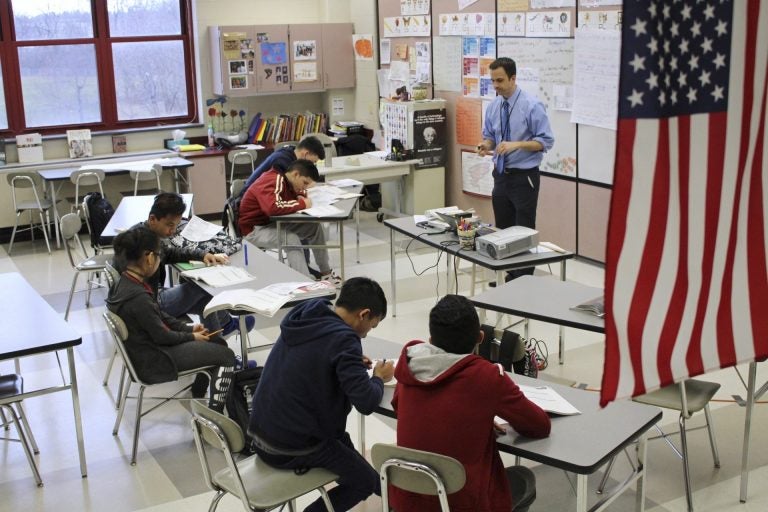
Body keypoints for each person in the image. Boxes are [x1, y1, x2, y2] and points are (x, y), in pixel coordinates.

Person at [391, 295, 551, 512]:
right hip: (464, 503)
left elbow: (399, 405)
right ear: (480, 337)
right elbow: (539, 425)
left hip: (409, 501)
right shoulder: (487, 376)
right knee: (523, 478)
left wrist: (472, 419)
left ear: (430, 340)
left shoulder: (409, 364)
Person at [248, 277, 394, 512]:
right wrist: (378, 376)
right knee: (362, 483)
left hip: (260, 432)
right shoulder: (346, 339)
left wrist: (350, 364)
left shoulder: (307, 315)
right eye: (372, 325)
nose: (366, 334)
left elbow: (315, 357)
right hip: (292, 446)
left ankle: (392, 498)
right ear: (364, 314)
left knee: (348, 452)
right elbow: (366, 401)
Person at [106, 227, 236, 408]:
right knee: (227, 355)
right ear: (149, 258)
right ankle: (215, 416)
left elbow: (158, 316)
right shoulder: (138, 297)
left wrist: (189, 329)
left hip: (143, 352)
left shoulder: (124, 284)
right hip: (155, 359)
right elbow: (162, 336)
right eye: (159, 255)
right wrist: (191, 337)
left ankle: (197, 395)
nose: (160, 259)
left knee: (217, 343)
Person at [126, 192, 255, 338]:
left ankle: (220, 348)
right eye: (169, 225)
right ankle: (226, 327)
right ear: (153, 219)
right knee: (203, 286)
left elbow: (169, 253)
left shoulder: (145, 233)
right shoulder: (142, 244)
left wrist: (202, 255)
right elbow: (166, 256)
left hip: (151, 297)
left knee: (207, 303)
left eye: (175, 225)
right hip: (151, 303)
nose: (173, 231)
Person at [477, 57, 554, 281]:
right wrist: (485, 145)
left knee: (524, 230)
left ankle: (524, 279)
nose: (496, 86)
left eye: (500, 80)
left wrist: (517, 144)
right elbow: (490, 137)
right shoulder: (494, 106)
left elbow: (545, 141)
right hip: (501, 175)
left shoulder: (531, 105)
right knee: (504, 229)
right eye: (493, 81)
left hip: (524, 177)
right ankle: (510, 274)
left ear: (513, 78)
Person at [238, 159, 339, 283]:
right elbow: (273, 208)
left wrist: (301, 195)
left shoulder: (287, 181)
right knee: (291, 239)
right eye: (304, 183)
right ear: (296, 174)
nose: (304, 187)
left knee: (314, 227)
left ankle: (326, 272)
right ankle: (305, 283)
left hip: (270, 223)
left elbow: (289, 196)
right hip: (253, 230)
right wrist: (302, 203)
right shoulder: (273, 180)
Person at [240, 136, 326, 197]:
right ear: (306, 154)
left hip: (262, 199)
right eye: (313, 162)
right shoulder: (282, 162)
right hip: (252, 204)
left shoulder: (291, 152)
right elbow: (287, 192)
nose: (312, 165)